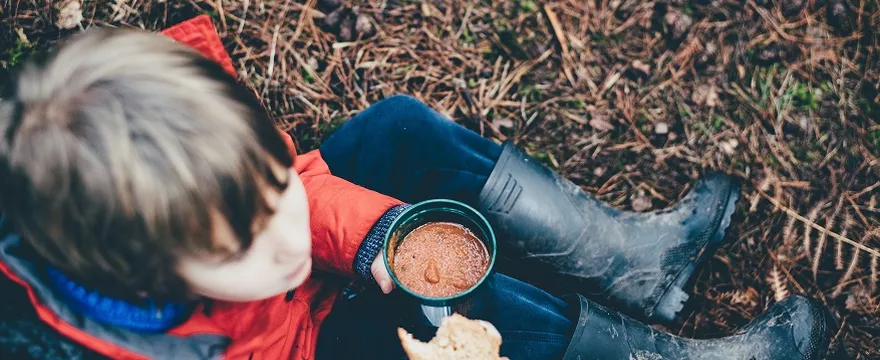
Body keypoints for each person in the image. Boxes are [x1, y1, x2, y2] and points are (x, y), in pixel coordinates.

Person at [0, 16, 835, 360]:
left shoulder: (175, 159)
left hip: (287, 297)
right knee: (464, 307)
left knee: (398, 131)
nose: (285, 229)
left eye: (269, 188)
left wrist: (361, 234)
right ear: (149, 279)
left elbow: (293, 193)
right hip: (301, 348)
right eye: (249, 240)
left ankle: (640, 265)